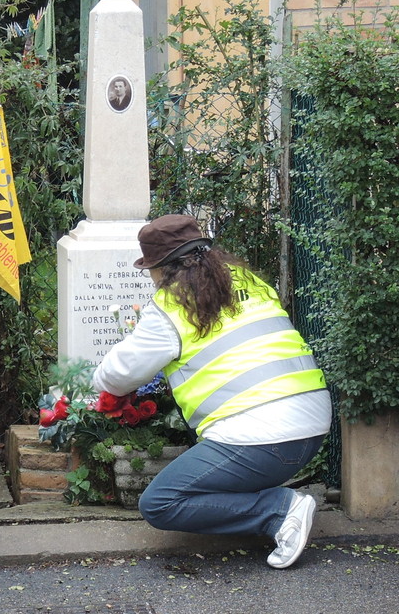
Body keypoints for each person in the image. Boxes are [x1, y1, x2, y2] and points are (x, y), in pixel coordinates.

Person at [91, 215, 329, 568]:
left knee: (161, 502)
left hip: (261, 442)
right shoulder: (249, 281)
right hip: (312, 430)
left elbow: (115, 376)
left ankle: (279, 511)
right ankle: (274, 505)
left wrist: (104, 388)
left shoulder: (172, 307)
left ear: (162, 269)